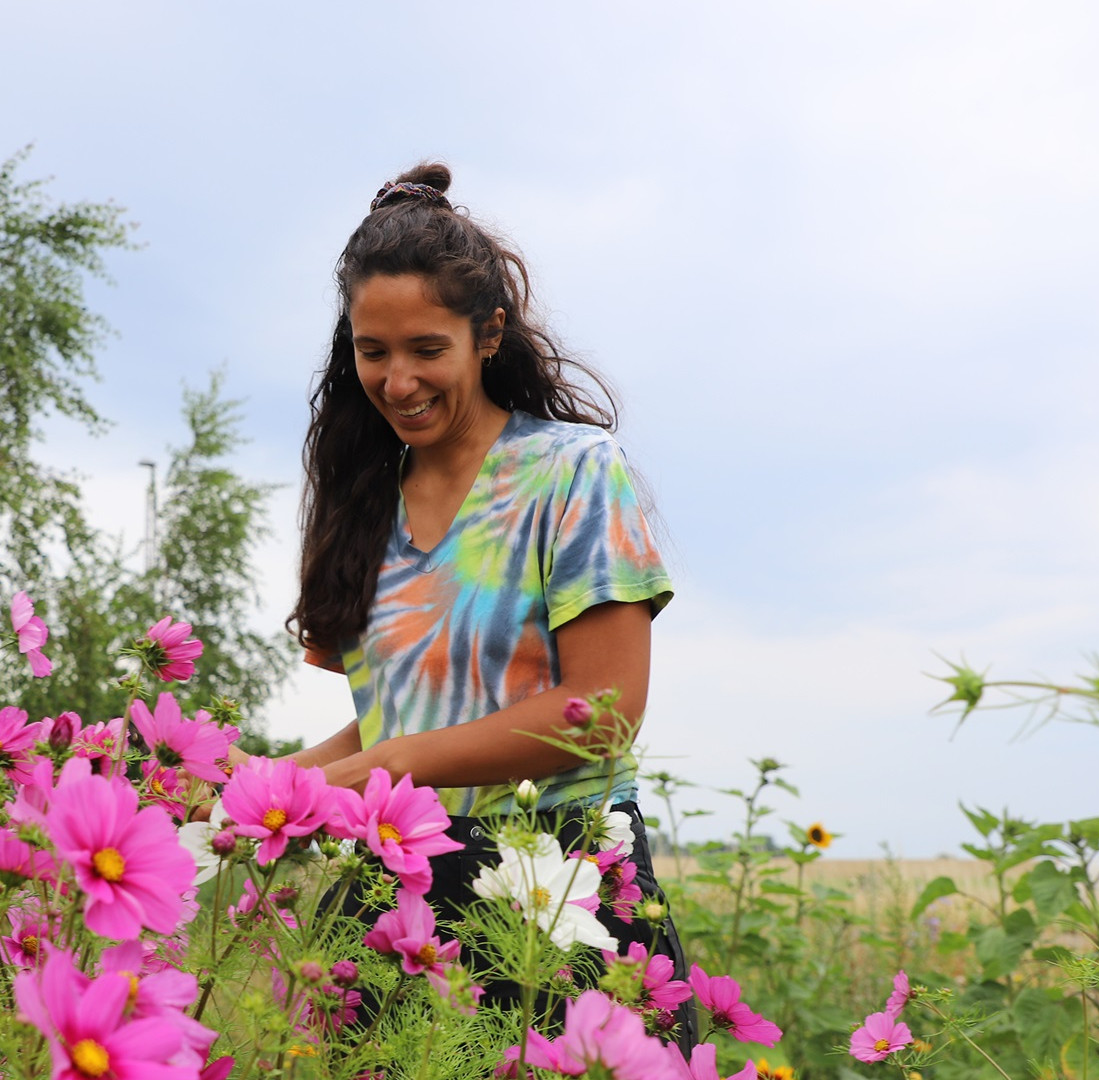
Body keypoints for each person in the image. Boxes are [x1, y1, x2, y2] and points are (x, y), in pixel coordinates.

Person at [265, 161, 692, 1044]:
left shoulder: (573, 472)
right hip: (396, 892)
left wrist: (386, 770)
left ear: (488, 333)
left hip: (559, 884)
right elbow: (392, 724)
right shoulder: (359, 508)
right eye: (371, 351)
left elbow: (602, 716)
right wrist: (267, 788)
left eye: (428, 349)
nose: (397, 381)